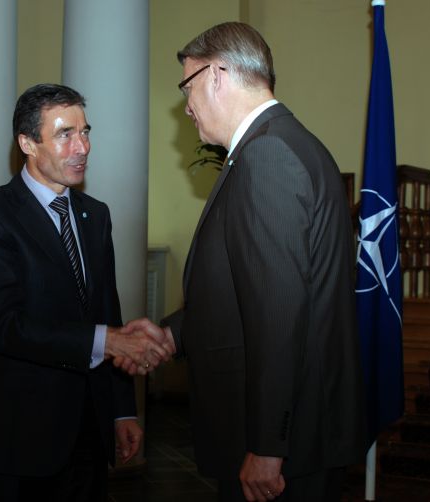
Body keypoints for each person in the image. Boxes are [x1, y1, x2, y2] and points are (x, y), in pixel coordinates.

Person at [121, 22, 366, 501]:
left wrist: (268, 445)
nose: (186, 106)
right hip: (297, 434)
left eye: (187, 88)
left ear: (217, 75)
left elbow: (279, 314)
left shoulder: (267, 155)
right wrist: (172, 335)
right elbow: (248, 292)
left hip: (284, 448)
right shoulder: (278, 144)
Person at [0, 83, 167, 501]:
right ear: (27, 144)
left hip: (89, 434)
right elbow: (4, 325)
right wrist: (108, 341)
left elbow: (107, 312)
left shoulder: (96, 216)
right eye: (65, 134)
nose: (82, 147)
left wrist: (122, 411)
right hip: (20, 439)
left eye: (85, 132)